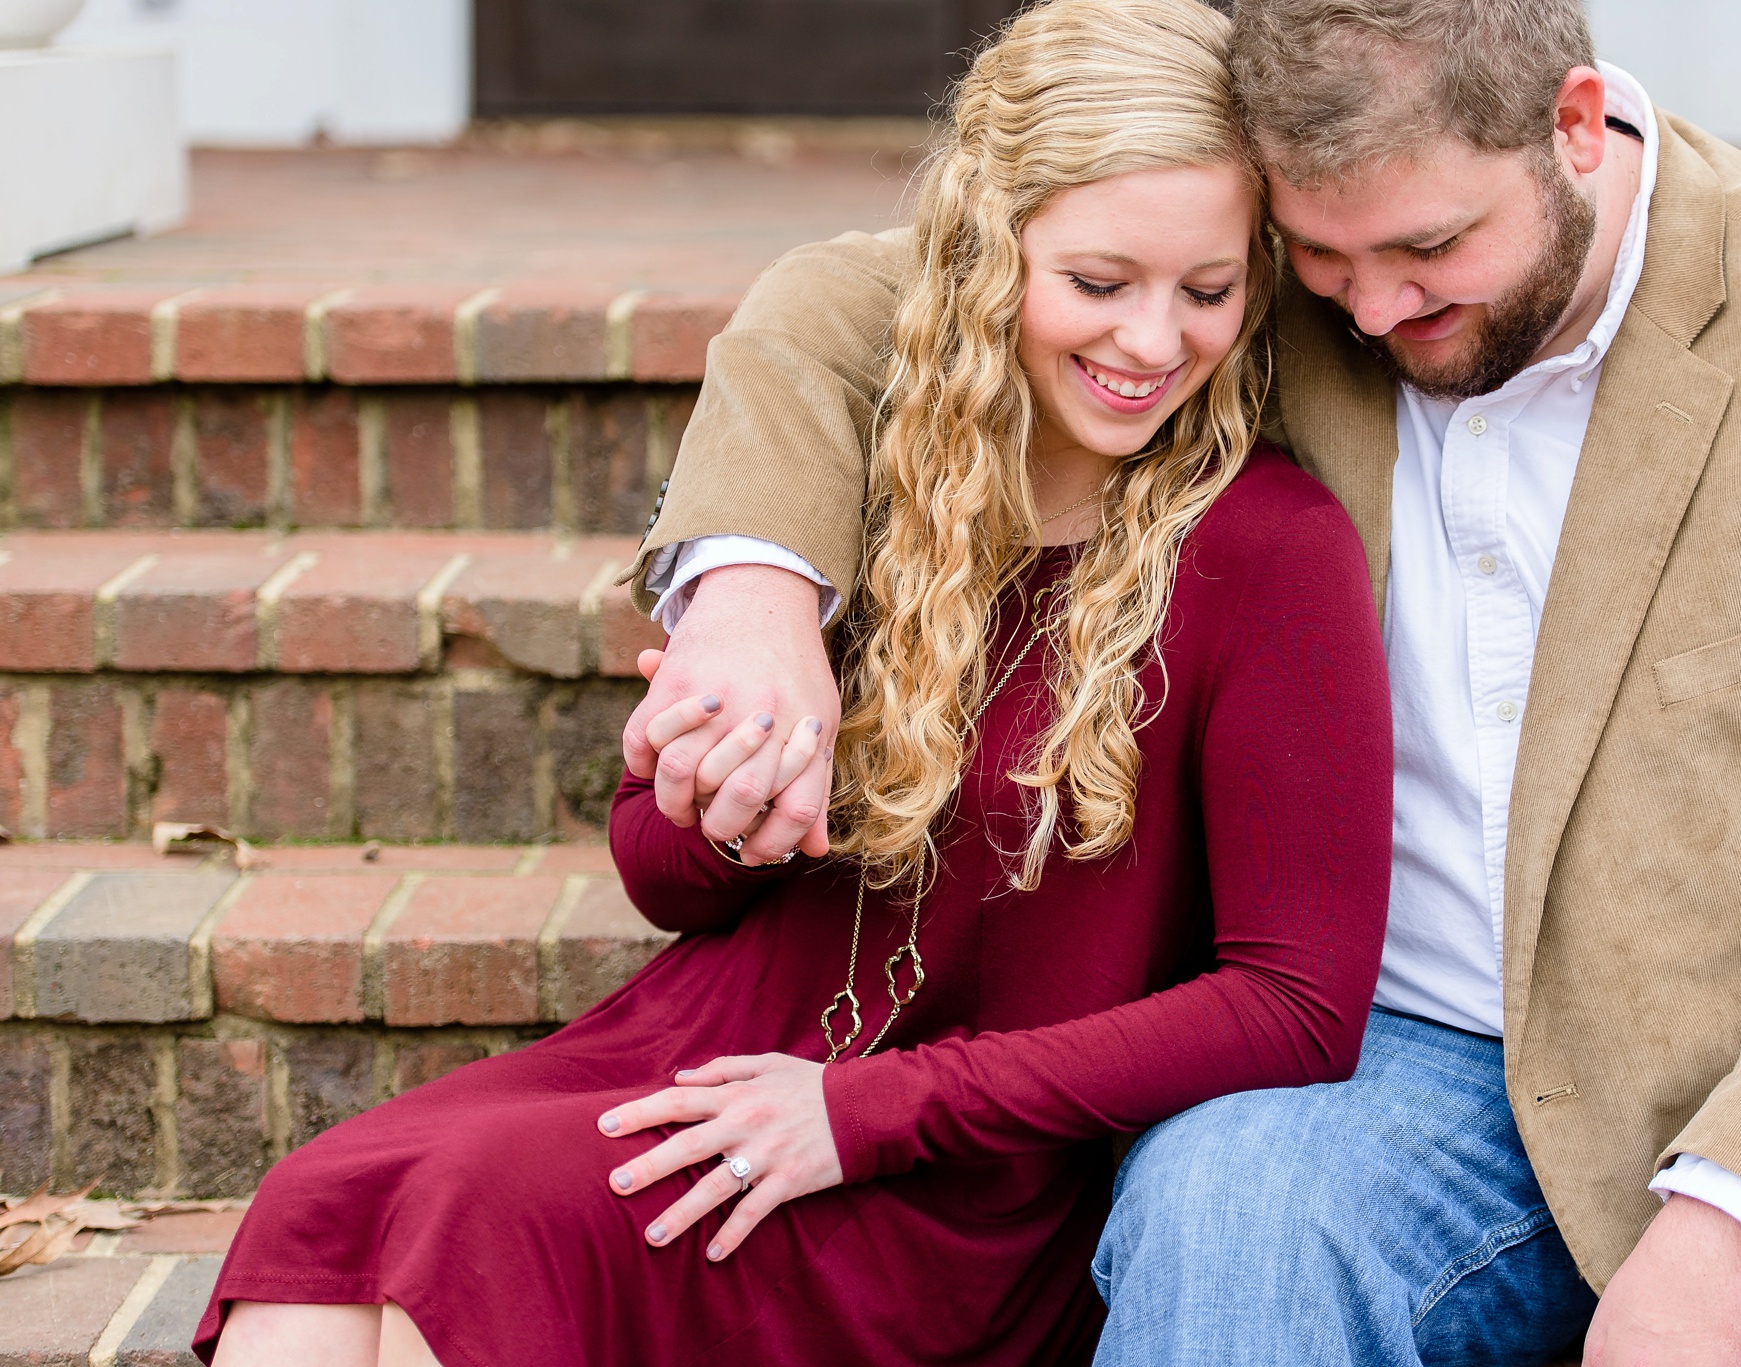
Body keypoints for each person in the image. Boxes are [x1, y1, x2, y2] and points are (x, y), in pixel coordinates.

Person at [619, 1, 1741, 1364]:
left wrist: (1739, 1210)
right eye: (1321, 261)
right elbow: (853, 296)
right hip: (1404, 1062)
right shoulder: (1295, 262)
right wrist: (751, 600)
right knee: (1229, 1208)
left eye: (1428, 247)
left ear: (1575, 123)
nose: (1372, 309)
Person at [193, 3, 1394, 1364]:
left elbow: (1297, 1004)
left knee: (483, 1219)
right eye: (1100, 282)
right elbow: (659, 873)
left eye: (1208, 290)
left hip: (953, 1169)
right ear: (989, 255)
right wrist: (722, 794)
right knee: (323, 1214)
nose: (1154, 342)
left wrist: (866, 1116)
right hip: (713, 1056)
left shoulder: (1267, 548)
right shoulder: (872, 487)